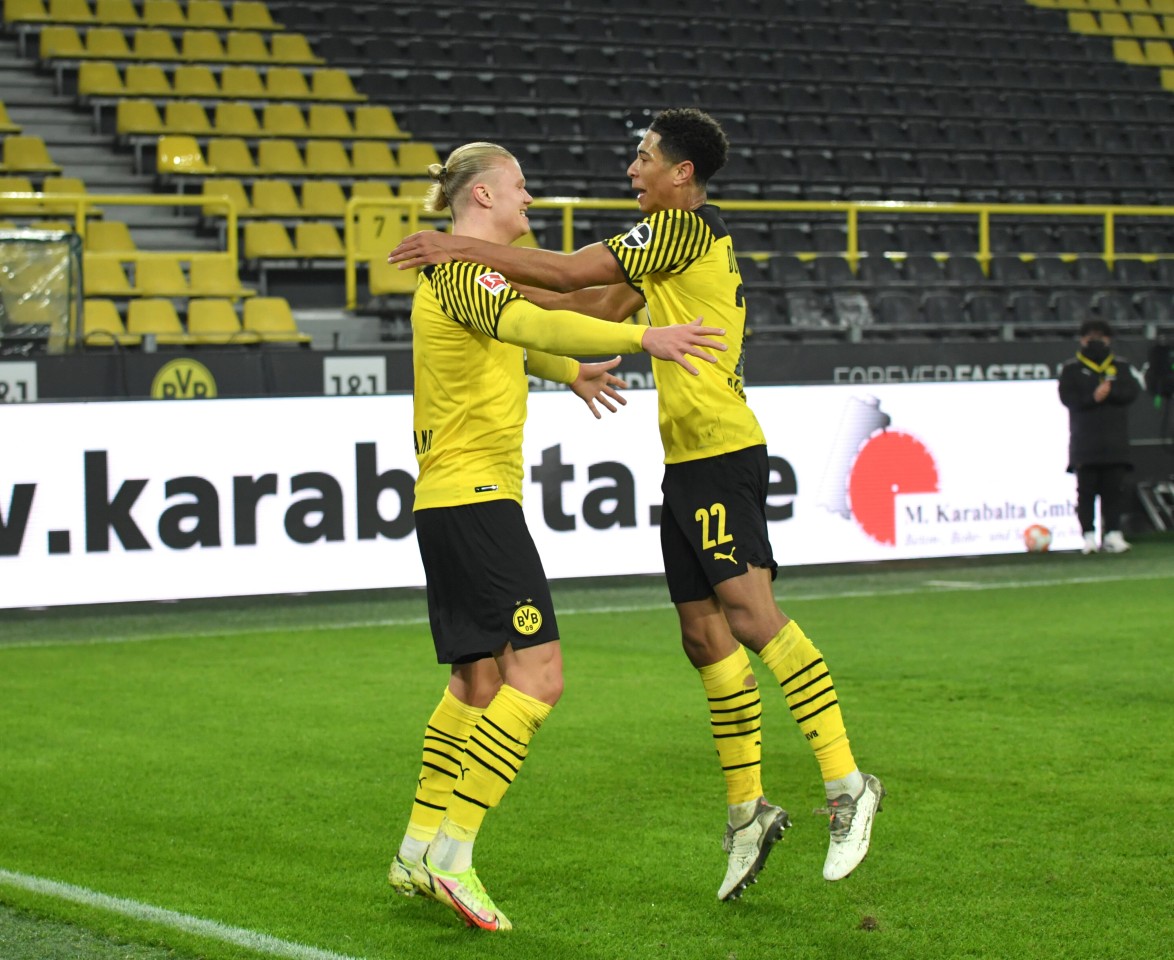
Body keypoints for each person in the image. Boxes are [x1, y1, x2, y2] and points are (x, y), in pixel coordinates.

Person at [389, 109, 884, 901]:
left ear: (680, 173)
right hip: (683, 463)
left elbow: (565, 279)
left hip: (722, 449)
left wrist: (462, 252)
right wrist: (563, 351)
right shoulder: (655, 249)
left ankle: (847, 783)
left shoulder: (681, 231)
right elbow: (600, 311)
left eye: (645, 156)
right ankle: (747, 811)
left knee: (751, 619)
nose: (632, 168)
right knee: (702, 638)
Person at [387, 140, 727, 932]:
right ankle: (452, 855)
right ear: (481, 199)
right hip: (477, 500)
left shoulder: (464, 276)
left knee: (475, 683)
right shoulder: (467, 272)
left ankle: (414, 849)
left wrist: (570, 373)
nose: (530, 199)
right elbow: (535, 315)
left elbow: (523, 335)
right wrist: (648, 339)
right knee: (537, 678)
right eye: (519, 187)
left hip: (447, 501)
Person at [1058, 318, 1142, 554]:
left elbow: (1131, 392)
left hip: (1115, 442)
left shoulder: (1120, 366)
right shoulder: (1071, 369)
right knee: (1085, 493)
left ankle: (1114, 533)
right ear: (1082, 340)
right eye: (1090, 337)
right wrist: (1092, 397)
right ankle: (1088, 537)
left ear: (1109, 339)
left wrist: (1111, 391)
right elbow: (1067, 399)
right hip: (1085, 443)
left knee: (1114, 492)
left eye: (1101, 337)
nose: (1095, 342)